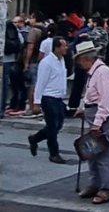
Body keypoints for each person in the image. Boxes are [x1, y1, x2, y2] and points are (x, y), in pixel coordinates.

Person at [74, 40, 109, 204]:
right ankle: (95, 184)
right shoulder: (94, 72)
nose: (79, 64)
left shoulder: (102, 72)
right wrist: (84, 108)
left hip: (105, 115)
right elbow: (90, 94)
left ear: (86, 58)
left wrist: (97, 123)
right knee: (92, 152)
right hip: (95, 113)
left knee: (104, 152)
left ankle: (108, 188)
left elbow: (105, 101)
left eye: (79, 60)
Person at [28, 36, 68, 164]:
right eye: (63, 46)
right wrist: (37, 102)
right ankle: (54, 153)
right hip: (48, 97)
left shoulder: (62, 60)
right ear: (56, 48)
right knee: (52, 126)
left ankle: (35, 138)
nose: (66, 48)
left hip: (58, 97)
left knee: (58, 124)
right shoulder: (46, 62)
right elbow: (40, 83)